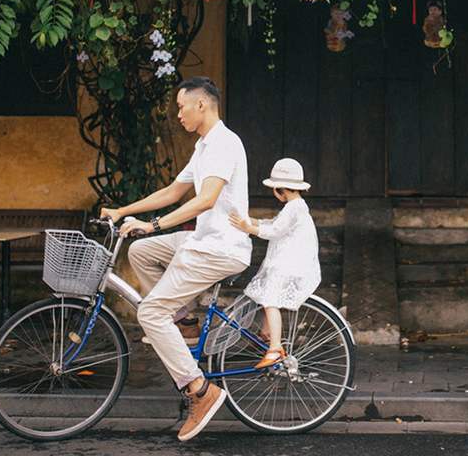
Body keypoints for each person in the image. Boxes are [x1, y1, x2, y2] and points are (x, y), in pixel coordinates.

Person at [99, 76, 251, 442]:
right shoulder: (203, 147)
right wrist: (123, 211)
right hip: (201, 241)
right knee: (141, 251)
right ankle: (185, 323)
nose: (178, 113)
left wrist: (154, 225)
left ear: (202, 105)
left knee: (150, 312)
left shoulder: (224, 144)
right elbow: (174, 191)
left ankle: (200, 390)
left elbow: (206, 199)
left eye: (182, 106)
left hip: (221, 248)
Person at [228, 158, 322, 369]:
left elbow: (274, 231)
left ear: (280, 190)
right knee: (266, 297)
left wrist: (248, 227)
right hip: (288, 261)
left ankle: (275, 347)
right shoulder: (296, 205)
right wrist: (250, 220)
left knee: (270, 299)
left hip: (289, 264)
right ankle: (267, 331)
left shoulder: (293, 208)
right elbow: (274, 224)